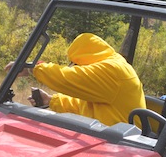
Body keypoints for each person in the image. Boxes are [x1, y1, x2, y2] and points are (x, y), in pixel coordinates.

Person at [11, 33, 146, 126]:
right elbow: (83, 106)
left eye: (74, 64)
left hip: (124, 149)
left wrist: (33, 68)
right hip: (109, 140)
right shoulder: (107, 69)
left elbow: (66, 79)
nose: (72, 67)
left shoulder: (113, 70)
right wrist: (51, 101)